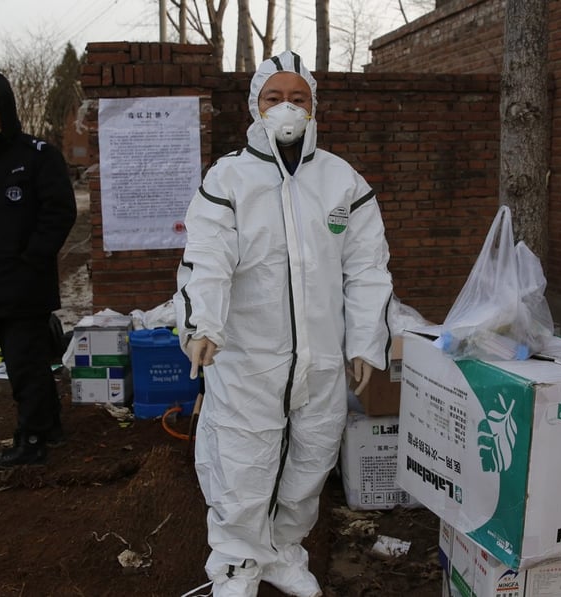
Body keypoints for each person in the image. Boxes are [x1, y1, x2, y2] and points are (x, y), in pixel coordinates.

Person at [175, 51, 393, 597]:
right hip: (249, 354)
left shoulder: (342, 181)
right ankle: (234, 566)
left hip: (321, 357)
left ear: (314, 107)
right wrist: (203, 324)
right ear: (255, 105)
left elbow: (367, 269)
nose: (287, 108)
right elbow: (207, 257)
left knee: (311, 461)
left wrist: (365, 342)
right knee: (242, 462)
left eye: (299, 98)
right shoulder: (229, 177)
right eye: (275, 98)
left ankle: (283, 552)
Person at [0, 71, 77, 469]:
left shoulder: (38, 156)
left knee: (24, 364)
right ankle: (51, 428)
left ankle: (30, 440)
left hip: (27, 284)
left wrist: (32, 259)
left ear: (5, 111)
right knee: (25, 359)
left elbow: (60, 212)